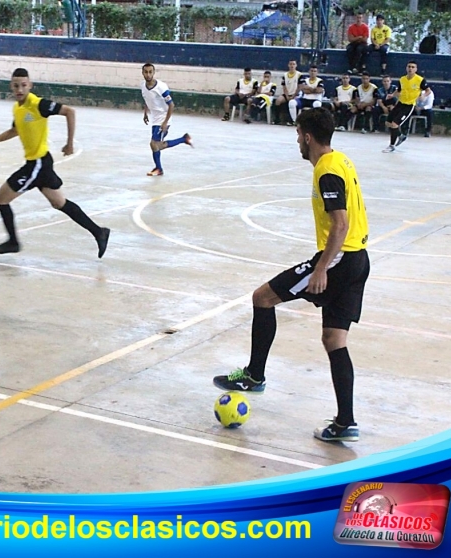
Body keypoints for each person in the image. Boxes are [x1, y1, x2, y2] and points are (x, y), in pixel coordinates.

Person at [213, 108, 370, 443]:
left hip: (340, 260)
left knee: (263, 297)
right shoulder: (341, 160)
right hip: (359, 260)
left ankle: (254, 376)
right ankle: (346, 422)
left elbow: (340, 224)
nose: (297, 141)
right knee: (334, 340)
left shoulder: (327, 171)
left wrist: (321, 268)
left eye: (298, 135)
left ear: (308, 136)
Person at [0, 68, 110, 257]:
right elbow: (15, 130)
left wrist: (69, 144)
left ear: (30, 85)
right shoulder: (17, 108)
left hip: (37, 164)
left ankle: (13, 242)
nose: (20, 89)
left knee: (1, 199)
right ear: (11, 86)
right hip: (40, 164)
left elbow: (70, 112)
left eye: (23, 85)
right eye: (16, 85)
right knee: (59, 203)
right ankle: (99, 232)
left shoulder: (38, 104)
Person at [140, 63, 193, 176]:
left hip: (164, 118)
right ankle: (184, 139)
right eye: (146, 72)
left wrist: (165, 122)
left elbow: (172, 105)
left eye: (150, 72)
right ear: (142, 73)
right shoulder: (143, 86)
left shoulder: (161, 87)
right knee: (158, 145)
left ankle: (159, 169)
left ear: (154, 73)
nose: (148, 75)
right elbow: (146, 99)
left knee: (154, 144)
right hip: (155, 119)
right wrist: (145, 113)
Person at [383, 61, 432, 153]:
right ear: (406, 68)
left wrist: (423, 96)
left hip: (409, 105)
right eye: (409, 66)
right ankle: (401, 135)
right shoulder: (402, 79)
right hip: (400, 103)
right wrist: (392, 95)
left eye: (413, 67)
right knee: (388, 122)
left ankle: (392, 145)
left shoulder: (420, 80)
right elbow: (399, 90)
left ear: (416, 69)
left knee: (395, 124)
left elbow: (428, 91)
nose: (410, 69)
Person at [274, 60, 301, 125]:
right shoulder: (285, 75)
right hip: (287, 94)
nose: (292, 66)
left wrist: (294, 95)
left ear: (296, 65)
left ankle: (291, 120)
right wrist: (287, 96)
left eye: (293, 64)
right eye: (291, 64)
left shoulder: (299, 75)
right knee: (278, 101)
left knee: (293, 102)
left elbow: (300, 87)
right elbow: (284, 86)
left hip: (296, 94)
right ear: (288, 65)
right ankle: (277, 119)